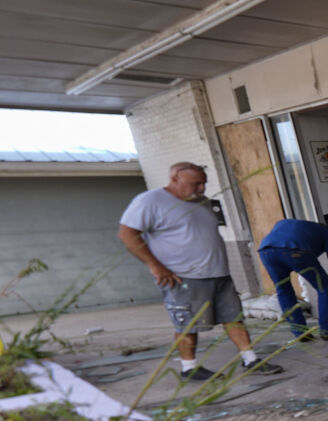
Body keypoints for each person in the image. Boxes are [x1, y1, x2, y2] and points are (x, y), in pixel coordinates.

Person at [118, 162, 282, 379]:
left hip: (218, 273)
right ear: (175, 179)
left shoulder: (202, 203)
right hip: (184, 276)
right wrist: (155, 266)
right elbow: (127, 234)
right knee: (188, 324)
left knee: (233, 318)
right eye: (196, 183)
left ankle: (250, 359)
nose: (202, 188)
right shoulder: (150, 201)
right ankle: (189, 367)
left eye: (204, 183)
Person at [257, 218, 328, 341]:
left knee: (284, 291)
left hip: (266, 251)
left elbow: (278, 240)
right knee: (325, 287)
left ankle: (300, 333)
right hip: (295, 251)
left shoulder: (286, 223)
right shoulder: (326, 233)